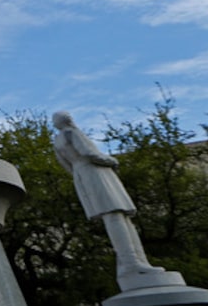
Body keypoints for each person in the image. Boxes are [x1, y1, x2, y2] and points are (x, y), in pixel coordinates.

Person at [51, 111, 161, 280]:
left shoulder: (57, 142)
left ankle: (136, 262)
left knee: (120, 217)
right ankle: (132, 263)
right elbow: (88, 153)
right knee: (116, 216)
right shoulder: (72, 133)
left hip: (82, 176)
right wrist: (111, 160)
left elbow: (66, 165)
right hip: (96, 174)